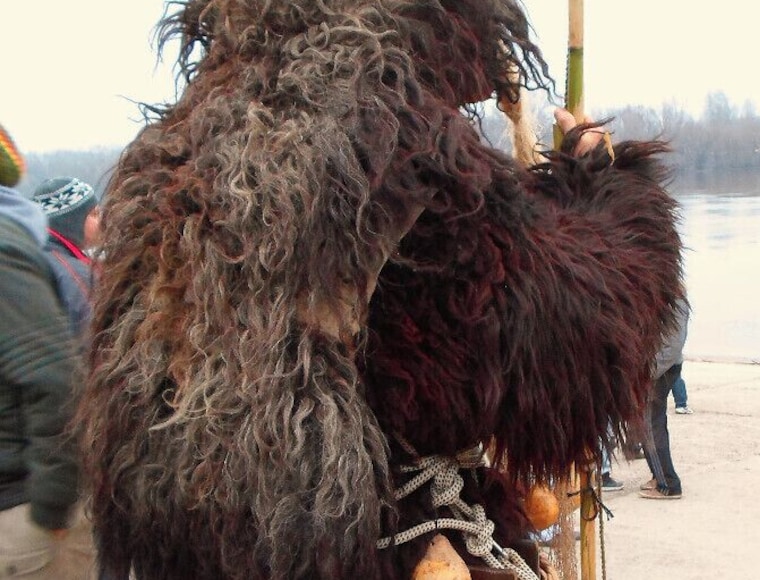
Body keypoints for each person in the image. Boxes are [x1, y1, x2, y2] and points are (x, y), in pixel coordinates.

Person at [74, 2, 685, 578]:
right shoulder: (388, 141)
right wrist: (607, 184)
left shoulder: (186, 141)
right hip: (374, 544)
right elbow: (578, 348)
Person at [0, 124, 97, 578]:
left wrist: (53, 503)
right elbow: (66, 368)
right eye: (95, 213)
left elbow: (52, 373)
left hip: (27, 498)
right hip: (28, 502)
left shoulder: (23, 255)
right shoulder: (63, 267)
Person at [32, 177, 100, 335]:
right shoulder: (74, 274)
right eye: (95, 214)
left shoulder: (30, 257)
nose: (103, 221)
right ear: (71, 222)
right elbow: (97, 337)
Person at [640, 297, 690, 500]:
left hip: (661, 371)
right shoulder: (663, 295)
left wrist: (647, 372)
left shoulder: (676, 300)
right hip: (658, 369)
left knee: (650, 424)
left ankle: (668, 484)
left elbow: (673, 346)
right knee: (649, 424)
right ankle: (658, 475)